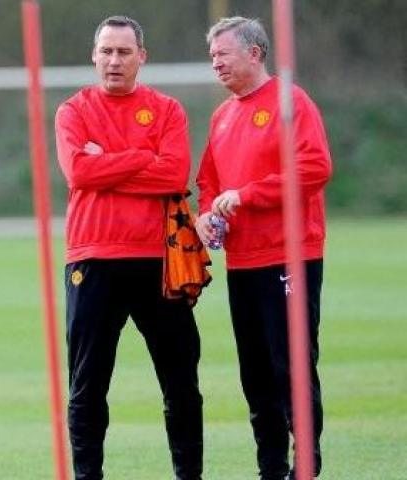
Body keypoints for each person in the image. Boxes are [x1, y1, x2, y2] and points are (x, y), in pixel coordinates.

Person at [55, 15, 204, 480]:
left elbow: (174, 174)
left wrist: (110, 161)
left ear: (142, 57)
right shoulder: (72, 111)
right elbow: (79, 172)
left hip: (159, 262)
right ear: (93, 55)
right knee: (88, 384)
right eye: (107, 51)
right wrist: (144, 157)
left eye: (124, 51)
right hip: (93, 259)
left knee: (181, 381)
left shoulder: (167, 110)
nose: (114, 60)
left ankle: (189, 475)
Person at [195, 17, 332, 479]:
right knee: (254, 373)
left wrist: (248, 194)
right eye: (212, 56)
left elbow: (314, 167)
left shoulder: (291, 101)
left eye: (223, 54)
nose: (216, 63)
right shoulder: (222, 115)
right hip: (243, 260)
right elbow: (208, 180)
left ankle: (306, 466)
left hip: (289, 255)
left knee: (290, 365)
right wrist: (207, 211)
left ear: (254, 53)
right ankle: (270, 467)